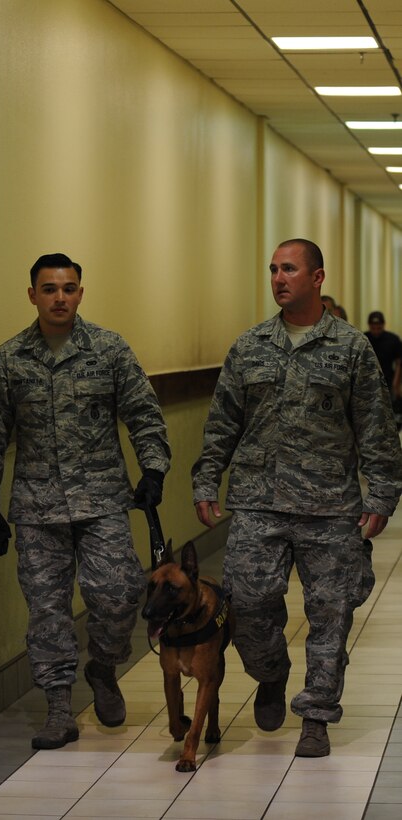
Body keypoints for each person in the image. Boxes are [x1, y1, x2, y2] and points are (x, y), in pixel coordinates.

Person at [192, 238, 402, 758]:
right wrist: (205, 479)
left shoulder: (351, 348)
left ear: (317, 278)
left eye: (289, 269)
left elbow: (376, 427)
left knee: (331, 614)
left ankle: (316, 716)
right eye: (272, 270)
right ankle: (270, 674)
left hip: (331, 507)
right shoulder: (249, 346)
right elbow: (222, 424)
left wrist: (382, 495)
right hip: (259, 503)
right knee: (250, 606)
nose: (279, 278)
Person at [0, 252, 171, 750]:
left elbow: (143, 413)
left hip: (102, 501)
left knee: (120, 592)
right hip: (37, 511)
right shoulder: (11, 358)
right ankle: (58, 708)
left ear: (81, 292)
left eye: (70, 288)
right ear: (32, 294)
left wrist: (154, 468)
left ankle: (103, 666)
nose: (60, 297)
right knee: (47, 610)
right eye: (50, 288)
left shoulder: (108, 350)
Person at [365, 310, 402, 399]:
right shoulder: (363, 338)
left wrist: (395, 384)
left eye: (379, 328)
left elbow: (399, 363)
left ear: (383, 325)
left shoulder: (393, 339)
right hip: (367, 381)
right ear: (369, 325)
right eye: (373, 328)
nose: (376, 331)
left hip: (388, 381)